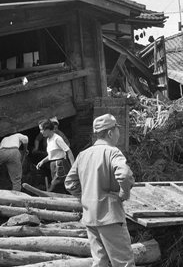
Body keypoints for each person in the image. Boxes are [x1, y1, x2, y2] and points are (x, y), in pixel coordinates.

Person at [65, 114, 135, 267]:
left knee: (99, 262)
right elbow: (123, 174)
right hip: (110, 216)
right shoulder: (113, 152)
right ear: (110, 132)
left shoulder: (83, 155)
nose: (118, 133)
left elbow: (70, 183)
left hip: (90, 216)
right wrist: (124, 193)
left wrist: (87, 196)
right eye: (117, 129)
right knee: (123, 263)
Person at [36, 120, 75, 193]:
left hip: (60, 164)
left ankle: (48, 195)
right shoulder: (48, 140)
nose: (41, 132)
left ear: (48, 129)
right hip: (53, 165)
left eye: (42, 129)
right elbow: (52, 155)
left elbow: (68, 151)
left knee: (55, 185)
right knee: (59, 188)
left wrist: (73, 166)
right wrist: (42, 162)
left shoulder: (57, 138)